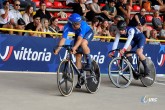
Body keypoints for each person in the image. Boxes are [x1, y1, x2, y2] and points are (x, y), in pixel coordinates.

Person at [54, 13, 94, 88]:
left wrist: (74, 48)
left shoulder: (83, 25)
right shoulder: (67, 26)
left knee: (83, 44)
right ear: (71, 23)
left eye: (79, 23)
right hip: (78, 34)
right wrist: (58, 48)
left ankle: (89, 63)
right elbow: (63, 39)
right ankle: (80, 78)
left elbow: (80, 39)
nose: (78, 25)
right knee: (78, 56)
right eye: (76, 24)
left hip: (88, 33)